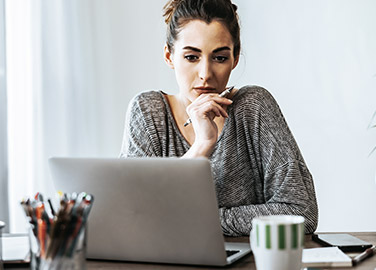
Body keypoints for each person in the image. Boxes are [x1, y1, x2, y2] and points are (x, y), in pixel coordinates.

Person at [119, 0, 318, 236]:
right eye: (192, 57)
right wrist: (201, 147)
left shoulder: (254, 106)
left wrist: (195, 220)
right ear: (169, 56)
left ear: (235, 58)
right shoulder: (148, 112)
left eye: (220, 58)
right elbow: (130, 215)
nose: (205, 74)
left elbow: (301, 213)